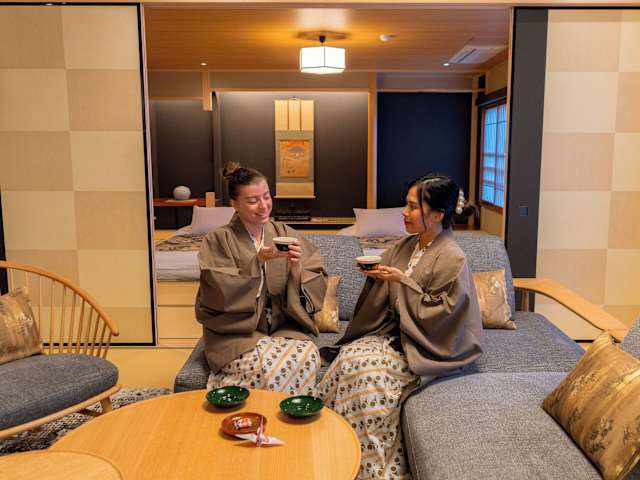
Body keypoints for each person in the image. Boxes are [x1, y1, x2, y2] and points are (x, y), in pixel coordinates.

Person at [317, 175, 483, 480]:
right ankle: (331, 452)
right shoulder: (408, 244)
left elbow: (443, 313)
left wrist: (401, 281)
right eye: (406, 205)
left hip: (427, 344)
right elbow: (388, 278)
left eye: (412, 207)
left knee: (366, 375)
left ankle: (372, 467)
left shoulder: (453, 257)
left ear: (437, 215)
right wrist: (377, 275)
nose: (404, 213)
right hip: (396, 334)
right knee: (346, 360)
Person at [196, 163, 328, 396]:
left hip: (282, 326)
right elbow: (217, 291)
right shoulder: (218, 239)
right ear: (234, 204)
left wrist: (295, 267)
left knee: (306, 356)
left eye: (266, 196)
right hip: (236, 333)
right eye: (253, 200)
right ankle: (262, 413)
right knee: (265, 365)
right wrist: (257, 262)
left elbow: (315, 274)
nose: (263, 205)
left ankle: (287, 413)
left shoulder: (284, 232)